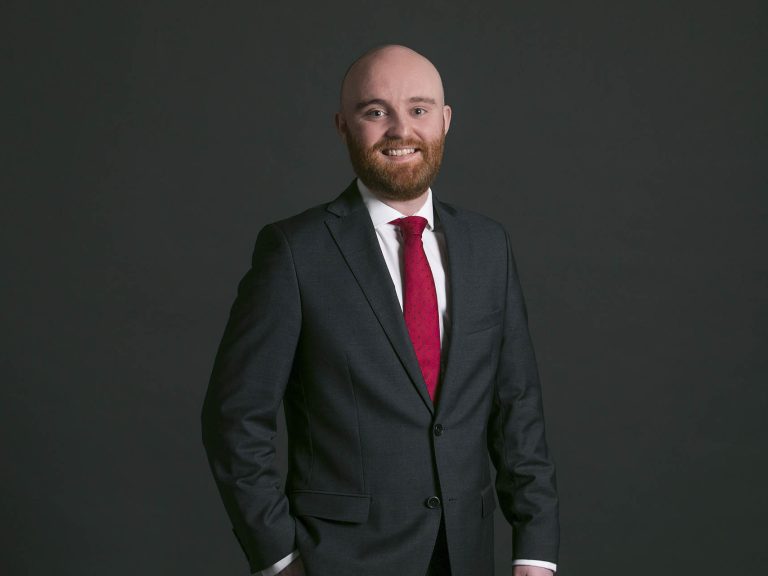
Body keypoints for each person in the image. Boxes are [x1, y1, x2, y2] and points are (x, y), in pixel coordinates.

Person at [202, 44, 559, 576]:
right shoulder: (295, 252)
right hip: (340, 559)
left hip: (467, 553)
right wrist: (277, 557)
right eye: (375, 111)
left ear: (445, 120)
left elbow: (517, 407)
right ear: (343, 126)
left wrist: (536, 549)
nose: (400, 129)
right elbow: (235, 418)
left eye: (418, 109)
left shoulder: (488, 245)